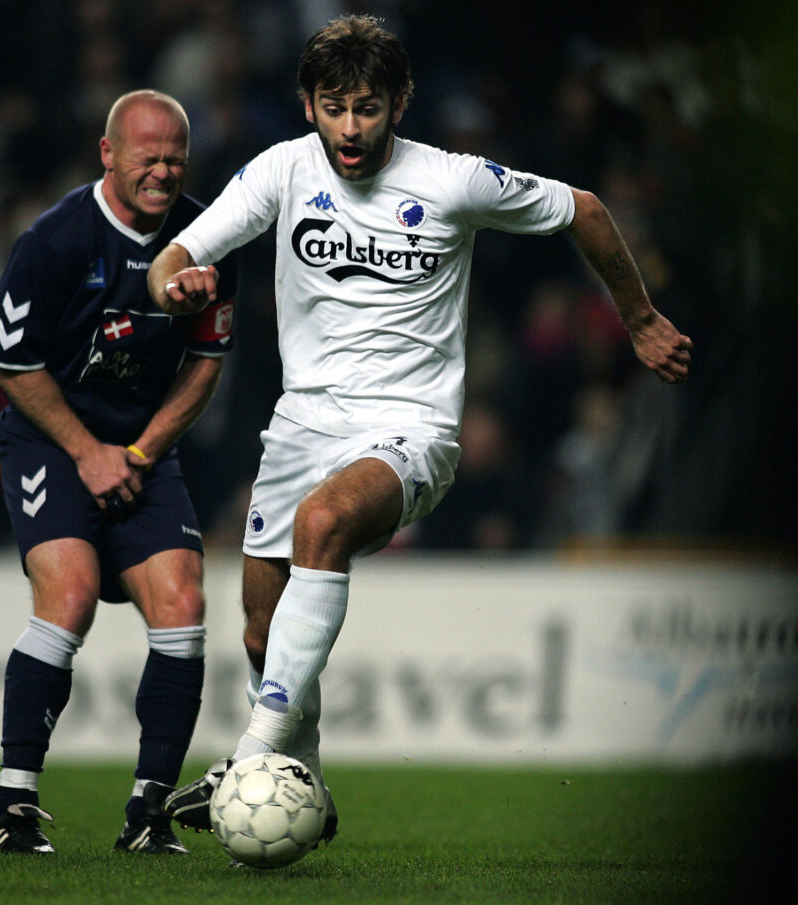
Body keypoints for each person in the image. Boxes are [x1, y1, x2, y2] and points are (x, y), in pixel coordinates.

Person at [147, 15, 692, 841]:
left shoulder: (453, 181)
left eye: (368, 107)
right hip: (301, 427)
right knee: (263, 628)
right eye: (335, 107)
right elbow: (175, 255)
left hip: (410, 430)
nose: (352, 127)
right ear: (308, 105)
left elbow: (581, 208)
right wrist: (172, 289)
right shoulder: (281, 173)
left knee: (321, 524)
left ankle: (252, 754)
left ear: (400, 103)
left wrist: (640, 316)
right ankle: (308, 784)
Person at [0, 89, 237, 855]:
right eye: (146, 157)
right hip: (49, 442)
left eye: (173, 159)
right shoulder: (55, 240)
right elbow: (11, 361)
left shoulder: (206, 240)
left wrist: (139, 453)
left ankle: (147, 813)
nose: (161, 172)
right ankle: (13, 805)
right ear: (108, 155)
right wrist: (88, 453)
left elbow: (205, 363)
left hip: (140, 449)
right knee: (71, 595)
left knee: (185, 599)